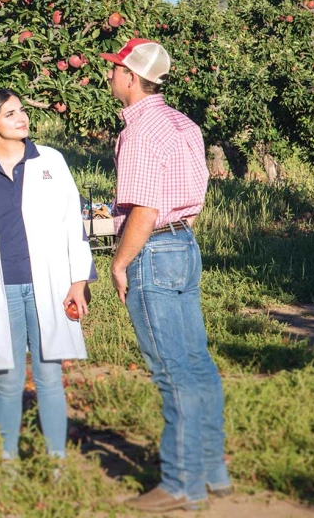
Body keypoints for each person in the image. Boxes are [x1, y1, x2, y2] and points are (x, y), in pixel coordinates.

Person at [100, 38, 231, 512]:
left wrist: (119, 261)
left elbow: (144, 208)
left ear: (131, 77)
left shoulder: (140, 131)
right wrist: (175, 235)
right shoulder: (184, 124)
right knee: (197, 362)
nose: (110, 76)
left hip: (153, 249)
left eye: (115, 69)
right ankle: (211, 470)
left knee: (171, 370)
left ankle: (180, 483)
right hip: (184, 243)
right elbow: (192, 194)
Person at [0, 88, 94, 463]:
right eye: (11, 114)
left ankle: (56, 462)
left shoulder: (50, 161)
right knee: (9, 380)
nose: (22, 118)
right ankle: (7, 462)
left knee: (49, 379)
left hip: (47, 286)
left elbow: (72, 223)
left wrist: (78, 281)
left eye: (22, 111)